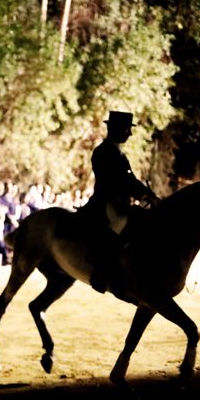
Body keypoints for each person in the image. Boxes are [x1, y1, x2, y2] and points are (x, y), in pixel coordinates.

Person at [83, 111, 158, 294]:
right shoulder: (103, 152)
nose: (129, 134)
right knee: (120, 221)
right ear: (116, 129)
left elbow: (130, 180)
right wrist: (139, 195)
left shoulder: (119, 153)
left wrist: (148, 194)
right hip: (106, 201)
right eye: (126, 129)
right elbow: (116, 181)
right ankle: (100, 273)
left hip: (120, 200)